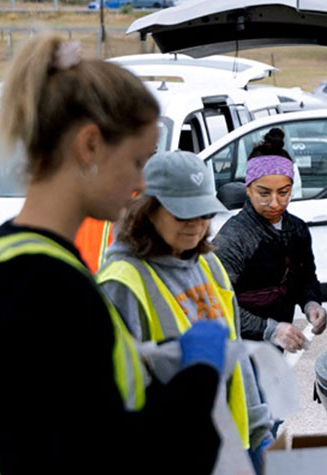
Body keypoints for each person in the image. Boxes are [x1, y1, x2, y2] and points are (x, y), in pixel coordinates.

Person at [0, 36, 226, 474]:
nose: (141, 185)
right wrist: (200, 378)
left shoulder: (0, 257)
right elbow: (104, 458)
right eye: (137, 160)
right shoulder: (46, 285)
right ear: (90, 145)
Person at [98, 150, 275, 470]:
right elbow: (115, 402)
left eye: (204, 213)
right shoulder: (122, 283)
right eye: (183, 214)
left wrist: (261, 433)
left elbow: (237, 361)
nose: (197, 225)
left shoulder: (209, 265)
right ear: (149, 211)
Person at [214, 128, 327, 353]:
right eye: (264, 194)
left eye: (283, 193)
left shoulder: (297, 230)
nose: (275, 203)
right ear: (248, 190)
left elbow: (305, 277)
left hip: (275, 349)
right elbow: (218, 303)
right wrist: (268, 329)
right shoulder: (235, 237)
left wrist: (311, 303)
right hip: (238, 349)